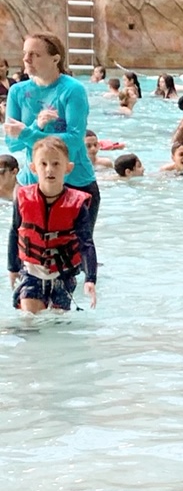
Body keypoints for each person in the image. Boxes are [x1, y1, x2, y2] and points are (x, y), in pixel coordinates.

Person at [4, 33, 98, 236]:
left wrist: (28, 133)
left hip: (75, 181)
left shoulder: (73, 90)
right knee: (25, 251)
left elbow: (73, 140)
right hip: (32, 181)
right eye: (25, 54)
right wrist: (35, 126)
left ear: (55, 59)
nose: (26, 59)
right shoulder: (17, 92)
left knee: (77, 254)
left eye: (35, 54)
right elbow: (12, 144)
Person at [8, 136, 97, 313]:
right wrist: (12, 267)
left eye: (56, 164)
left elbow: (86, 243)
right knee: (29, 320)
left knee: (57, 320)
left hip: (64, 273)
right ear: (33, 168)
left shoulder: (77, 204)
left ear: (68, 168)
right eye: (43, 164)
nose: (50, 169)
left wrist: (90, 278)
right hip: (32, 270)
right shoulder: (22, 198)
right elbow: (14, 231)